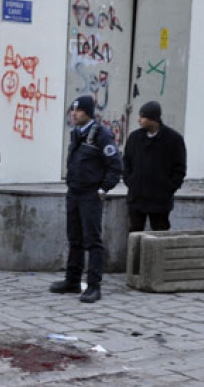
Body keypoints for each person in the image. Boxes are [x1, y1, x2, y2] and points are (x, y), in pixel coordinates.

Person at [49, 95, 122, 303]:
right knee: (75, 239)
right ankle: (72, 280)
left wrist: (102, 189)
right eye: (72, 110)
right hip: (74, 192)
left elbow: (115, 166)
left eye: (78, 111)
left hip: (90, 194)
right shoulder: (77, 134)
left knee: (92, 240)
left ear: (88, 113)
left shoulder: (101, 134)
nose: (73, 114)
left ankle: (93, 286)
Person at [123, 101, 186, 232]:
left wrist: (168, 188)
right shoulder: (135, 138)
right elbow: (126, 161)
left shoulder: (173, 139)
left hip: (160, 201)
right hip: (137, 198)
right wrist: (131, 181)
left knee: (160, 233)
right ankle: (135, 254)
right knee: (135, 232)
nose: (139, 120)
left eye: (142, 117)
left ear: (153, 119)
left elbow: (179, 168)